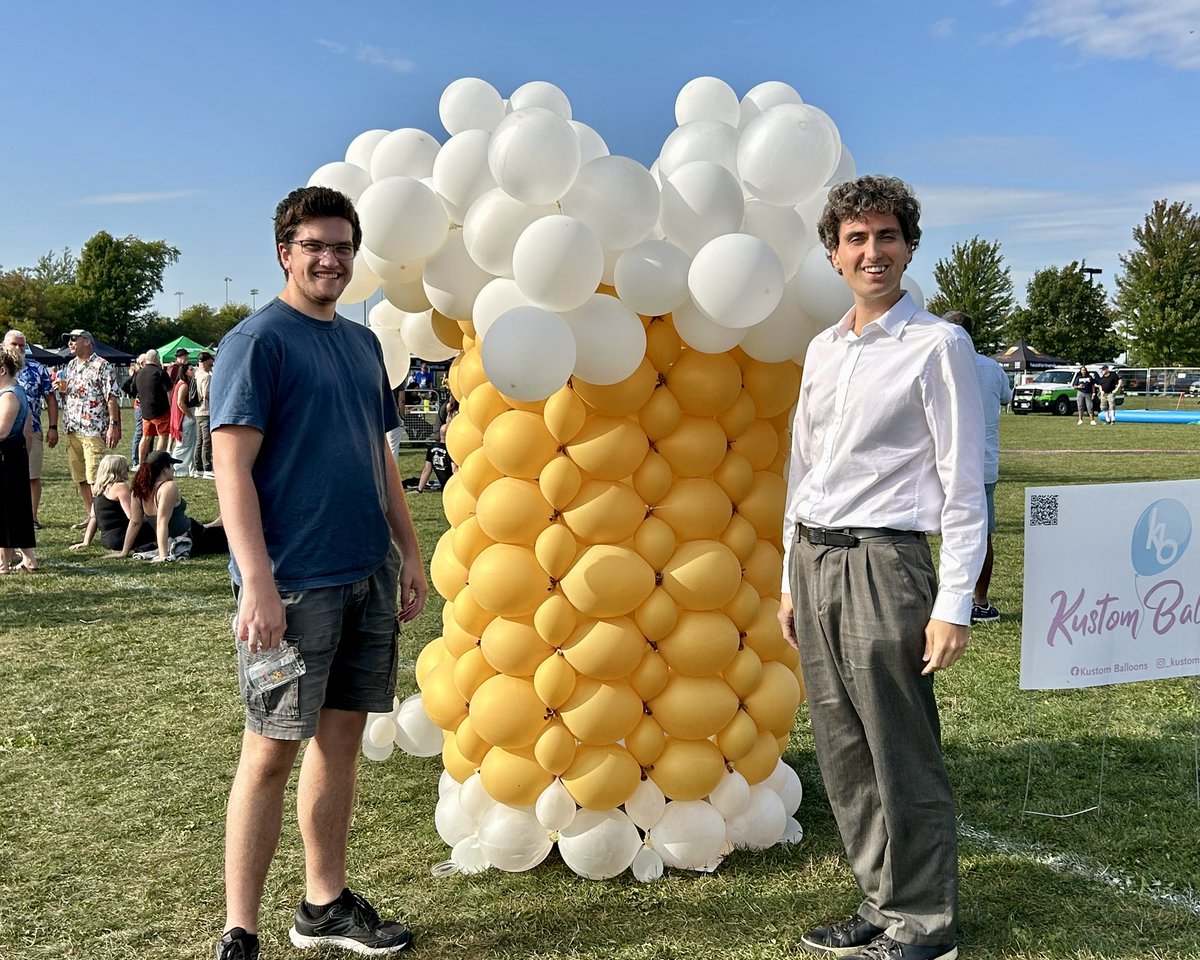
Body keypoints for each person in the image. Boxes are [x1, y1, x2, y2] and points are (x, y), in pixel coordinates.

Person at [210, 185, 428, 960]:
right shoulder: (257, 342)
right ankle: (241, 928)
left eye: (341, 247)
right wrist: (258, 583)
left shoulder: (363, 346)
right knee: (268, 749)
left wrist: (409, 549)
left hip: (365, 575)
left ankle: (324, 904)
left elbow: (381, 457)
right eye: (315, 246)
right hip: (293, 585)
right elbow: (230, 470)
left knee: (339, 742)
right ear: (285, 253)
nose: (330, 259)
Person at [779, 176, 984, 960]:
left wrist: (954, 604)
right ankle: (880, 902)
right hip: (816, 557)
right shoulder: (822, 350)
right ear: (833, 254)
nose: (874, 252)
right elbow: (802, 471)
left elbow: (964, 484)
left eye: (887, 236)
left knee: (901, 750)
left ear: (908, 246)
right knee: (844, 749)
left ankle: (926, 924)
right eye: (856, 239)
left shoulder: (937, 346)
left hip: (885, 562)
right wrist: (788, 581)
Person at [943, 311, 1012, 625]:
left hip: (943, 465)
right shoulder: (992, 368)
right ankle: (979, 602)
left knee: (938, 534)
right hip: (982, 465)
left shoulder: (938, 361)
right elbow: (1006, 399)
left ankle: (948, 601)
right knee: (981, 537)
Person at [55, 329, 121, 526]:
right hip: (72, 427)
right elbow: (68, 396)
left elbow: (111, 396)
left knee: (95, 476)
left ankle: (102, 517)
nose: (70, 343)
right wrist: (63, 391)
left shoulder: (102, 365)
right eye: (68, 340)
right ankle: (91, 515)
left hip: (92, 428)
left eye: (74, 339)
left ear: (87, 342)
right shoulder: (70, 366)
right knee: (80, 476)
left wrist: (113, 425)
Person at [112, 450, 225, 561]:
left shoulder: (139, 489)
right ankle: (220, 522)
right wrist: (163, 555)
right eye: (171, 466)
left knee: (215, 526)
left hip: (188, 529)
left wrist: (124, 552)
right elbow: (162, 523)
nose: (174, 469)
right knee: (229, 536)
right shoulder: (168, 487)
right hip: (191, 536)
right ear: (164, 469)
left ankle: (219, 521)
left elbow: (135, 522)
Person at [3, 329, 59, 529]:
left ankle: (31, 517)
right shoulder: (1, 368)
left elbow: (50, 398)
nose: (19, 348)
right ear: (4, 345)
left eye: (22, 344)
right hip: (2, 429)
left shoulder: (36, 368)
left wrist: (53, 426)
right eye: (14, 344)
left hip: (31, 429)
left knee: (32, 475)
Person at [68, 453, 154, 554]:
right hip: (122, 538)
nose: (128, 470)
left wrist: (86, 542)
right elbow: (133, 517)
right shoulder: (120, 487)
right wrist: (153, 517)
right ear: (118, 470)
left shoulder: (98, 489)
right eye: (125, 467)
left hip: (107, 540)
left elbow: (93, 518)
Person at [1, 345, 39, 572]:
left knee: (6, 509)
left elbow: (2, 431)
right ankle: (29, 559)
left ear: (3, 370)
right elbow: (26, 429)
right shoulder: (17, 392)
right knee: (14, 509)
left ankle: (3, 563)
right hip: (14, 454)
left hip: (6, 455)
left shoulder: (9, 395)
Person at [135, 349, 172, 464]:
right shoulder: (160, 372)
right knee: (163, 437)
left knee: (146, 437)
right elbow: (169, 392)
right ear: (156, 358)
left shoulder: (139, 373)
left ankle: (141, 463)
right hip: (161, 411)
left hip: (146, 411)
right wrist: (171, 408)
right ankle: (158, 463)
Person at [168, 362, 198, 477]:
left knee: (185, 444)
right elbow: (180, 403)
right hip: (184, 418)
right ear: (185, 372)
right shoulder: (184, 385)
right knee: (184, 445)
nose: (193, 371)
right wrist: (190, 415)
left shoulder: (181, 383)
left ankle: (183, 469)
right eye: (191, 369)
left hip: (181, 417)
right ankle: (178, 468)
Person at [414, 422, 455, 493]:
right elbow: (455, 470)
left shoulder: (431, 448)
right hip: (451, 486)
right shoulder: (451, 450)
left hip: (443, 485)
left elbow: (427, 470)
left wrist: (419, 489)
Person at [194, 351, 215, 478]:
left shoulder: (196, 374)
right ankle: (207, 468)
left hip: (197, 411)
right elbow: (206, 394)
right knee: (207, 441)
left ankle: (198, 467)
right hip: (205, 410)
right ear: (207, 361)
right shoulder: (206, 376)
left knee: (199, 441)